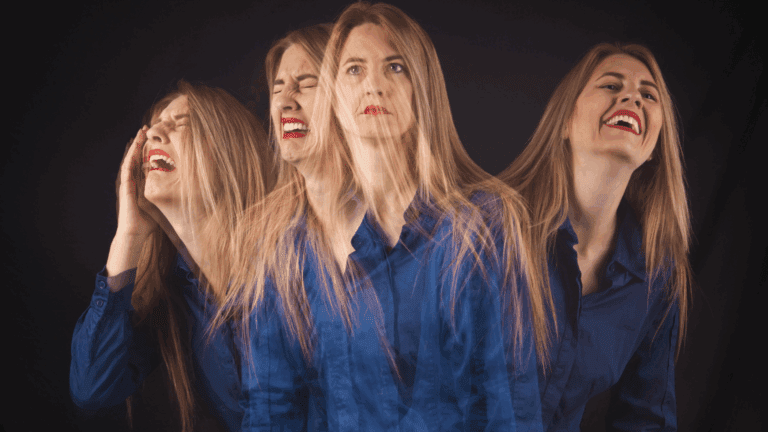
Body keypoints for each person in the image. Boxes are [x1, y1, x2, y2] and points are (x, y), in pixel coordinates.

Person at [224, 3, 551, 430]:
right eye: (354, 70)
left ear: (423, 89)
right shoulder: (288, 248)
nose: (374, 85)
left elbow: (507, 403)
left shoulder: (481, 225)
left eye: (395, 67)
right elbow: (271, 406)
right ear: (335, 99)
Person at [499, 43, 692, 430]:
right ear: (565, 123)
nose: (630, 97)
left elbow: (645, 418)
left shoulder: (656, 277)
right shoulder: (487, 230)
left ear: (654, 145)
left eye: (648, 95)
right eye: (610, 85)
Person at [70, 81, 274, 432]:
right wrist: (127, 236)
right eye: (154, 125)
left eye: (183, 124)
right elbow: (92, 389)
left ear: (231, 153)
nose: (154, 134)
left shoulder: (288, 260)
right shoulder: (172, 295)